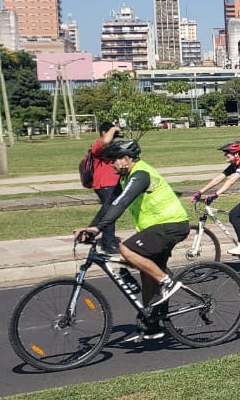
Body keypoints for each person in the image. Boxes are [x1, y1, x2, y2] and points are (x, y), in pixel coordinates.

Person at [73, 138, 190, 341]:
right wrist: (91, 227)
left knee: (127, 249)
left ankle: (168, 282)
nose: (111, 164)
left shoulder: (141, 174)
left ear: (126, 159)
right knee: (148, 275)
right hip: (156, 228)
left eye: (114, 160)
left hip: (171, 225)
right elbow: (110, 204)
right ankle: (153, 324)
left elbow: (122, 203)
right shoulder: (127, 177)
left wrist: (98, 228)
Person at [88, 121, 124, 255]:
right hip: (104, 184)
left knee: (110, 212)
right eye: (112, 133)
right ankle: (107, 244)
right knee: (110, 213)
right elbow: (105, 141)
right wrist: (114, 128)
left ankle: (102, 236)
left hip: (113, 183)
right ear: (104, 132)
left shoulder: (111, 145)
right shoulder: (98, 144)